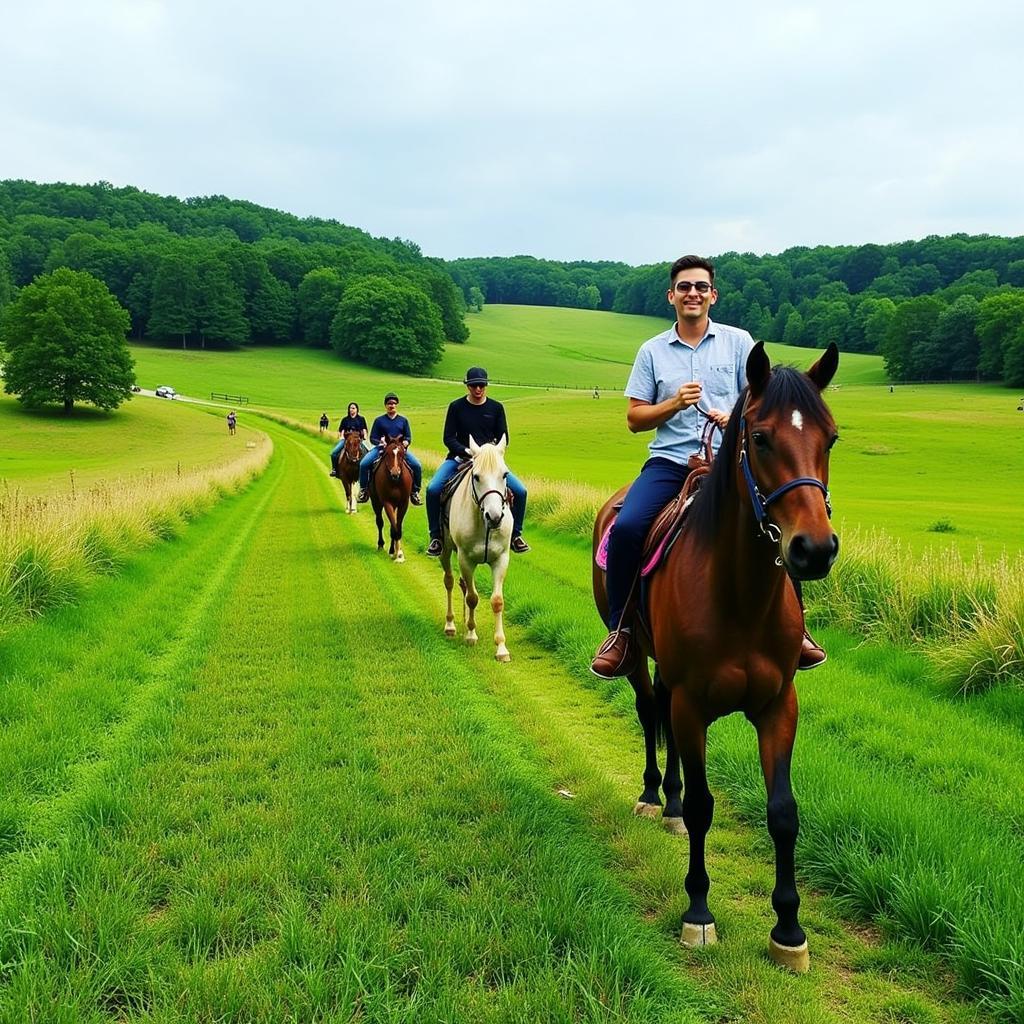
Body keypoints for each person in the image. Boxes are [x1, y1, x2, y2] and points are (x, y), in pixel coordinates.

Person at [590, 255, 827, 679]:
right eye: (684, 287)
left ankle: (798, 628)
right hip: (670, 463)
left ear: (712, 295)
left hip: (730, 464)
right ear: (671, 296)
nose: (693, 293)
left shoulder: (740, 343)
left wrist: (729, 416)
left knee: (775, 523)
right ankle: (622, 632)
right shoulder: (652, 352)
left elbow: (761, 404)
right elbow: (634, 419)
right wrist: (672, 404)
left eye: (700, 287)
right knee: (626, 529)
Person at [425, 367, 530, 557]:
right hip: (460, 459)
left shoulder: (496, 408)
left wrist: (491, 452)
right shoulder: (456, 407)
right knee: (432, 489)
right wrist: (466, 450)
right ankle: (436, 537)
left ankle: (516, 535)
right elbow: (448, 438)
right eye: (474, 386)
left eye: (481, 385)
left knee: (521, 491)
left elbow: (504, 437)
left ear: (486, 386)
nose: (478, 389)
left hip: (489, 462)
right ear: (467, 386)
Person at [356, 392, 423, 504]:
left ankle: (415, 492)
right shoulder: (379, 421)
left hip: (399, 451)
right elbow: (373, 438)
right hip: (382, 449)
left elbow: (408, 437)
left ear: (397, 405)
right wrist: (380, 442)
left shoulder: (403, 421)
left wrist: (406, 442)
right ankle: (363, 490)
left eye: (393, 403)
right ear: (385, 405)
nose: (391, 405)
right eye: (389, 403)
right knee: (364, 464)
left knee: (417, 465)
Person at [330, 402, 369, 475]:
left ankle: (368, 471)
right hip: (347, 440)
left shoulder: (361, 419)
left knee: (368, 453)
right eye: (350, 408)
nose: (352, 410)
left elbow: (364, 429)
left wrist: (365, 437)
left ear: (357, 410)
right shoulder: (345, 419)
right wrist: (341, 437)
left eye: (353, 408)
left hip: (358, 440)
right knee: (334, 453)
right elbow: (341, 430)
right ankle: (334, 469)